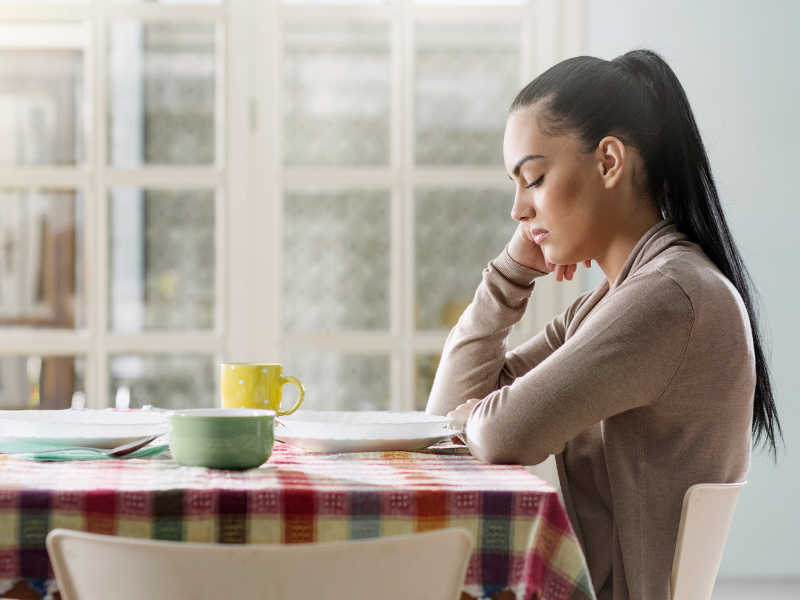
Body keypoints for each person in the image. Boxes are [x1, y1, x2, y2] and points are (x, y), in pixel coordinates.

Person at [425, 49, 782, 600]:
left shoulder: (669, 299)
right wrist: (511, 274)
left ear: (609, 162)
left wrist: (478, 416)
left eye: (535, 178)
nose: (518, 209)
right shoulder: (614, 303)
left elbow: (500, 431)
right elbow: (446, 415)